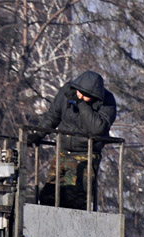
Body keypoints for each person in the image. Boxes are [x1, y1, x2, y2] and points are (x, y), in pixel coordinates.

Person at [28, 70, 117, 209]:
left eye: (85, 95)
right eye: (79, 91)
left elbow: (98, 128)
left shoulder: (108, 102)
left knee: (75, 199)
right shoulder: (67, 90)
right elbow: (53, 116)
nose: (80, 95)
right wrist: (38, 134)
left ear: (95, 96)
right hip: (63, 153)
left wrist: (82, 105)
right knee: (48, 196)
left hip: (85, 154)